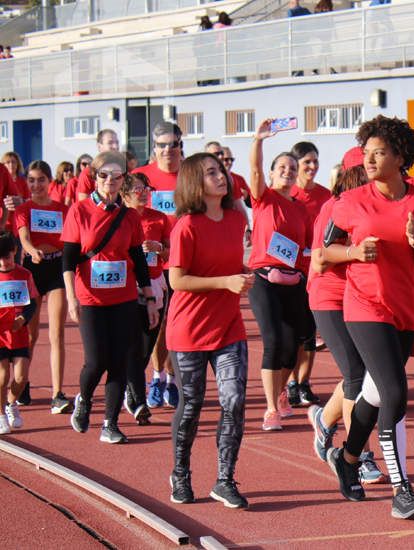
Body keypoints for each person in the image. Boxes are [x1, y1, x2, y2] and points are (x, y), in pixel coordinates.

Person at [325, 115, 414, 520]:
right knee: (395, 392)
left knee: (376, 394)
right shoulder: (350, 202)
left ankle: (346, 457)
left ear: (400, 157)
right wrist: (355, 253)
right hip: (364, 307)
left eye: (380, 153)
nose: (370, 159)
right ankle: (402, 490)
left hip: (405, 310)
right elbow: (324, 254)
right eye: (367, 153)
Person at [167, 152, 252, 509]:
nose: (221, 177)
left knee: (233, 402)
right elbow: (177, 279)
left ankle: (224, 478)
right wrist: (226, 282)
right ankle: (181, 474)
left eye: (221, 170)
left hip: (229, 328)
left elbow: (240, 260)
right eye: (211, 173)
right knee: (191, 406)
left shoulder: (236, 219)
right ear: (194, 183)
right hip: (189, 330)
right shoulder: (186, 226)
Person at [62, 151, 157, 444]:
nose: (110, 182)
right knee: (96, 361)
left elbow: (138, 259)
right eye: (104, 176)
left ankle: (110, 423)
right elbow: (67, 260)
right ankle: (85, 399)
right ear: (94, 177)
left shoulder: (128, 217)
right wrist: (70, 298)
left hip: (124, 298)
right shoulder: (79, 212)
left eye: (117, 177)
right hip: (90, 299)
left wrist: (150, 298)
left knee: (119, 361)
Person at [307, 149, 383, 484]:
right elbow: (319, 261)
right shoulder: (334, 207)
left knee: (365, 375)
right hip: (329, 295)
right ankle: (361, 455)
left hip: (362, 296)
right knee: (356, 374)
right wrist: (354, 252)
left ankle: (324, 421)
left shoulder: (378, 204)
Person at [247, 122, 312, 431]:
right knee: (273, 341)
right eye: (282, 167)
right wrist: (258, 141)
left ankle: (281, 390)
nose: (287, 171)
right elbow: (255, 171)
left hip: (293, 280)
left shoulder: (300, 210)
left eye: (292, 167)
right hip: (264, 280)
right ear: (273, 173)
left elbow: (306, 248)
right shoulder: (264, 198)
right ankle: (271, 407)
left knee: (292, 344)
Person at [15, 161, 71, 414]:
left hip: (57, 268)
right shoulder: (24, 209)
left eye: (41, 180)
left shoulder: (63, 209)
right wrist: (31, 251)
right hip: (33, 271)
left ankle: (58, 393)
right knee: (30, 334)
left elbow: (70, 241)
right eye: (32, 180)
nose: (36, 185)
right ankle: (23, 382)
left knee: (57, 332)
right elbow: (24, 238)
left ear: (50, 182)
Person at [135, 122, 183, 410]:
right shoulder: (141, 176)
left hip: (183, 258)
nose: (168, 150)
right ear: (154, 148)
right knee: (158, 323)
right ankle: (158, 376)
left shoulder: (190, 175)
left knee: (177, 323)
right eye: (162, 145)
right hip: (152, 260)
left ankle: (174, 380)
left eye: (173, 144)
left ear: (180, 145)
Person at [119, 172, 170, 426]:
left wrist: (159, 248)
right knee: (129, 341)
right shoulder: (118, 218)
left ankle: (133, 386)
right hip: (128, 286)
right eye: (138, 189)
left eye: (145, 188)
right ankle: (133, 394)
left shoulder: (159, 218)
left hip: (156, 283)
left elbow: (172, 250)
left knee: (149, 340)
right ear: (125, 193)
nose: (143, 192)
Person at [285, 141, 330, 410]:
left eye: (315, 161)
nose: (312, 167)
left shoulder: (325, 195)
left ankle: (304, 382)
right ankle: (291, 382)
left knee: (309, 332)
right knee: (292, 331)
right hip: (291, 272)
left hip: (317, 271)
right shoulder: (288, 195)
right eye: (306, 163)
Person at [0, 231, 38, 434]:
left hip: (19, 332)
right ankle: (0, 415)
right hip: (0, 334)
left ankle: (11, 404)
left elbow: (32, 303)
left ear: (14, 252)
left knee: (21, 376)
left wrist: (23, 318)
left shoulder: (24, 275)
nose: (3, 262)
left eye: (6, 257)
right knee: (2, 376)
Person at [76, 129, 120, 201]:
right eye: (110, 143)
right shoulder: (88, 173)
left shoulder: (122, 171)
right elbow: (83, 206)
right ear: (99, 146)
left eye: (117, 142)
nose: (115, 146)